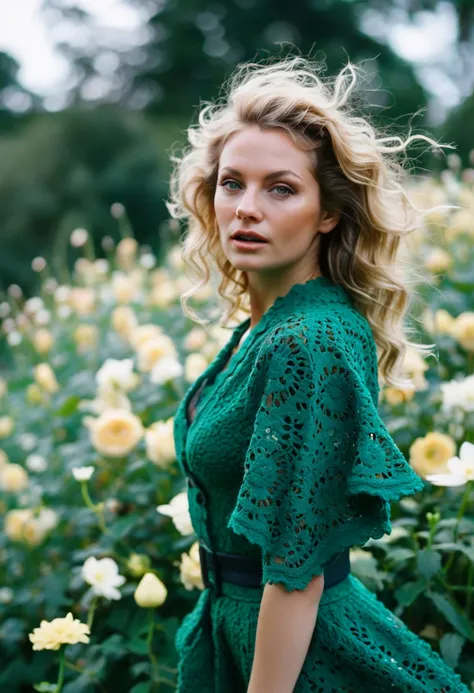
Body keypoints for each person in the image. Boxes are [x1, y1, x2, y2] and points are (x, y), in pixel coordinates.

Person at [167, 56, 469, 692]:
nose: (246, 208)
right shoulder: (264, 327)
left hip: (300, 659)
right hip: (237, 633)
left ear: (327, 212)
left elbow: (296, 571)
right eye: (231, 183)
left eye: (280, 188)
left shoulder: (313, 339)